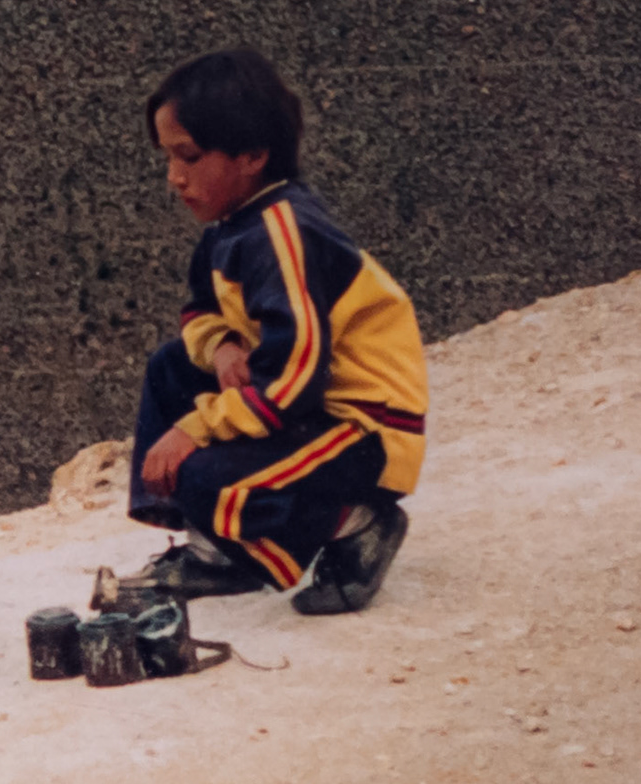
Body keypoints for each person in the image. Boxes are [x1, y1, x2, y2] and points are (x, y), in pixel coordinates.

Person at [125, 48, 426, 614]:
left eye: (188, 156)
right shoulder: (229, 228)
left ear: (253, 155)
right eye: (167, 158)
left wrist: (197, 427)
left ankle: (358, 522)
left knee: (207, 471)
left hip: (361, 428)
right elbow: (198, 311)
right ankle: (214, 549)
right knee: (171, 366)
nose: (173, 177)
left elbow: (296, 378)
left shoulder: (285, 234)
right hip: (301, 412)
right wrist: (221, 346)